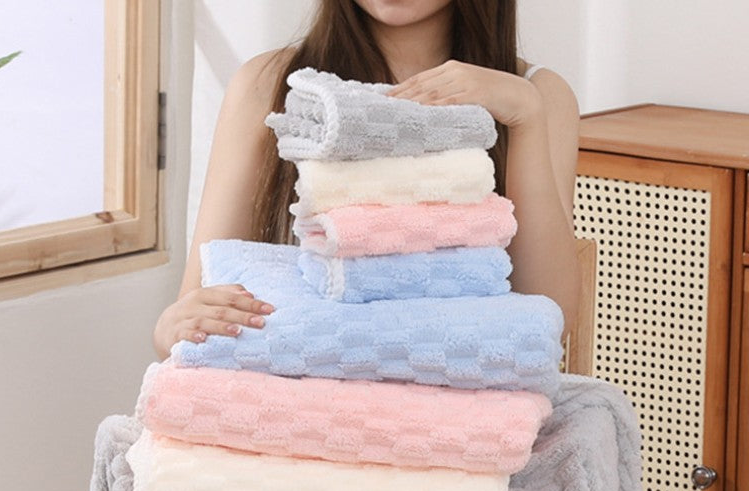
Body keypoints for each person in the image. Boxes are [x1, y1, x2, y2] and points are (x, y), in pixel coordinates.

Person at [153, 0, 580, 359]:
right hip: (306, 390)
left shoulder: (535, 95)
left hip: (461, 403)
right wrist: (173, 326)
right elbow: (196, 304)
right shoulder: (271, 85)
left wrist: (526, 115)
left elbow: (549, 318)